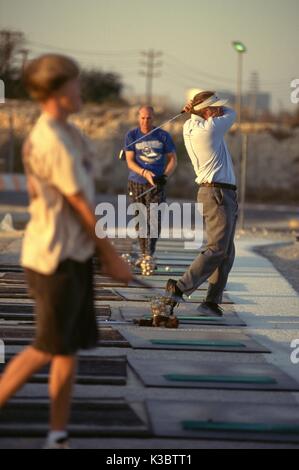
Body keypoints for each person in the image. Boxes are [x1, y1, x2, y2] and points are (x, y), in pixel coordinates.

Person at [0, 54, 132, 449]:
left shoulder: (70, 133)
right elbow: (79, 206)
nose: (81, 91)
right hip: (52, 258)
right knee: (46, 347)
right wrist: (110, 254)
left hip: (72, 255)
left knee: (66, 349)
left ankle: (57, 436)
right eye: (75, 84)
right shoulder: (52, 139)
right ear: (58, 91)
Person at [165, 90, 238, 317]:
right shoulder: (210, 129)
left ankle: (211, 302)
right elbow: (232, 113)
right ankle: (179, 287)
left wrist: (194, 110)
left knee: (225, 251)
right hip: (218, 194)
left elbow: (204, 114)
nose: (219, 110)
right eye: (214, 108)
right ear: (207, 111)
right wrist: (195, 108)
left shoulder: (190, 126)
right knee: (217, 249)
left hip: (215, 193)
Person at [125, 106, 177, 268]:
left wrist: (164, 176)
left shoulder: (163, 135)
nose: (145, 121)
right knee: (140, 219)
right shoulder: (131, 135)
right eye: (142, 118)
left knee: (154, 219)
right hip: (136, 182)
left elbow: (173, 159)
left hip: (156, 183)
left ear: (153, 118)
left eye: (149, 118)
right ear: (138, 118)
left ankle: (149, 253)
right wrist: (144, 172)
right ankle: (143, 253)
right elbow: (129, 161)